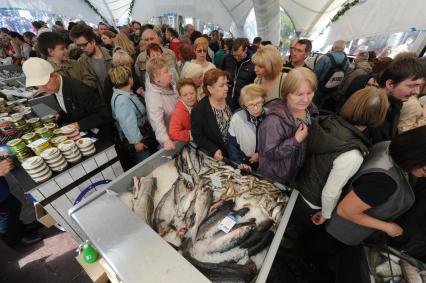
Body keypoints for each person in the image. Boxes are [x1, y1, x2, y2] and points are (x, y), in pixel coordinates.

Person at [292, 87, 389, 236]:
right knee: (296, 232)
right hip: (311, 200)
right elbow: (331, 192)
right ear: (378, 117)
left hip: (298, 184)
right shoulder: (353, 154)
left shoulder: (328, 122)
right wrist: (326, 214)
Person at [23, 57, 113, 141]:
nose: (44, 89)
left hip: (101, 134)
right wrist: (60, 113)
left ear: (55, 75)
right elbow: (73, 106)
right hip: (84, 133)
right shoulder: (54, 87)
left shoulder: (79, 90)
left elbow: (104, 114)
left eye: (45, 84)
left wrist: (77, 125)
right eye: (39, 87)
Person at [258, 67, 318, 185]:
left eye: (310, 93)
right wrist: (295, 141)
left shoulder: (310, 110)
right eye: (299, 94)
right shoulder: (273, 121)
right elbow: (269, 152)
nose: (306, 99)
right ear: (286, 93)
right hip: (276, 178)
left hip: (295, 174)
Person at [367, 57, 426, 144]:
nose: (417, 92)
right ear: (390, 84)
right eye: (412, 86)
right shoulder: (369, 106)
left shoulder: (396, 104)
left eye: (419, 86)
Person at [109, 65, 150, 168]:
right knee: (146, 166)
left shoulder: (125, 94)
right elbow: (128, 123)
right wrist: (137, 142)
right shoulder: (122, 100)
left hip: (141, 135)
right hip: (138, 141)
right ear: (129, 79)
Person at [191, 68, 232, 160]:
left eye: (227, 84)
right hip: (222, 156)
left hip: (237, 152)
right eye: (221, 85)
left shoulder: (230, 100)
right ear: (210, 89)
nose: (226, 88)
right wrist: (213, 149)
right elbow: (197, 135)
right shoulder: (199, 110)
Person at [228, 84, 266, 172]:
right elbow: (232, 145)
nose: (256, 108)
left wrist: (261, 155)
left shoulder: (270, 116)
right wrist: (239, 164)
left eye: (259, 103)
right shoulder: (237, 118)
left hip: (265, 165)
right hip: (244, 162)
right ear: (244, 105)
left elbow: (275, 145)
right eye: (251, 105)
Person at [70, 24, 112, 99]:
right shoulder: (81, 62)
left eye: (84, 45)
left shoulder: (111, 54)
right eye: (79, 46)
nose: (82, 48)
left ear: (93, 41)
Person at [145, 57, 179, 150]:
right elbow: (157, 122)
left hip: (182, 131)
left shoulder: (170, 83)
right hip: (172, 140)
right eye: (166, 71)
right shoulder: (153, 97)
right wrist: (165, 140)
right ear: (156, 78)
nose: (170, 73)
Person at [220, 38, 256, 110]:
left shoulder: (253, 62)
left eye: (239, 55)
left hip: (243, 101)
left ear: (245, 49)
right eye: (234, 55)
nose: (236, 58)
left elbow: (254, 84)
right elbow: (220, 74)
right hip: (226, 99)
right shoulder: (227, 58)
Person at [313, 40, 350, 110]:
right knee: (321, 106)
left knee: (312, 105)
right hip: (332, 89)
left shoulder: (325, 58)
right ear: (343, 48)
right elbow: (345, 77)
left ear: (333, 47)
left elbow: (315, 74)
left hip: (319, 89)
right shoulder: (347, 61)